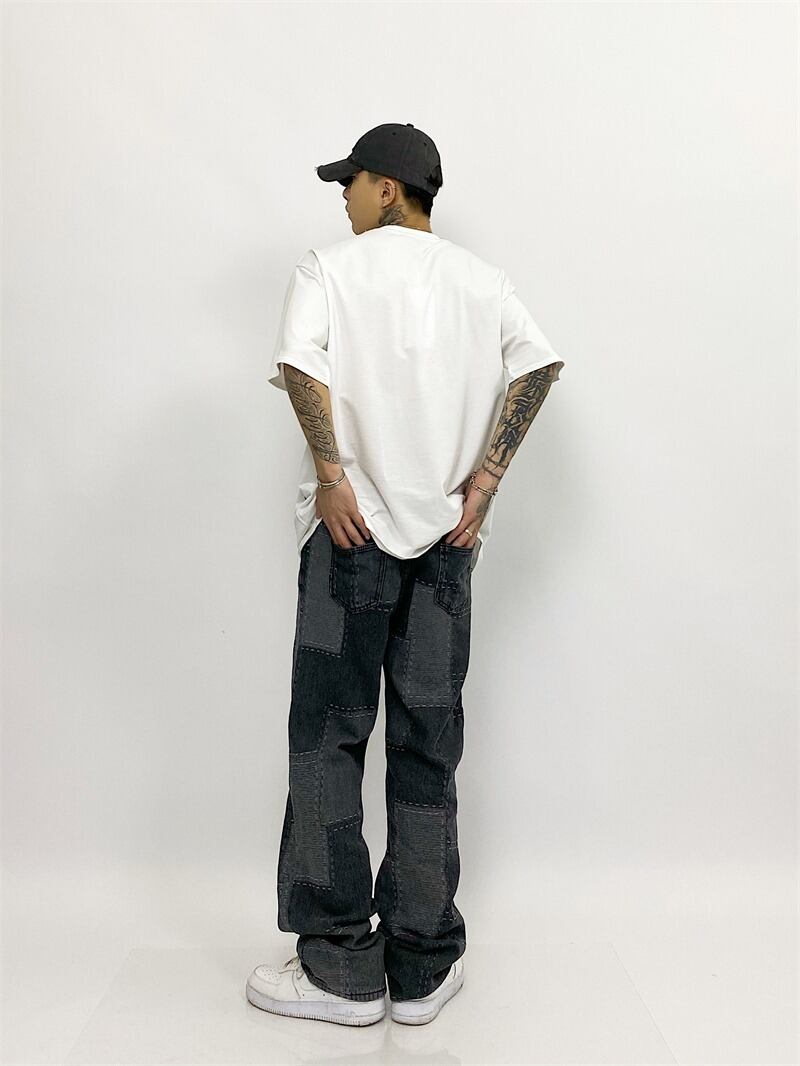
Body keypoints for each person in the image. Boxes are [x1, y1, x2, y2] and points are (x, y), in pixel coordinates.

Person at [246, 123, 565, 1027]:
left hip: (347, 541)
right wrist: (485, 482)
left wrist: (334, 476)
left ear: (388, 186)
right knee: (429, 746)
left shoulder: (329, 268)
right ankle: (421, 967)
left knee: (328, 739)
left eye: (350, 182)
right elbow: (538, 365)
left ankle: (341, 970)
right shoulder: (482, 282)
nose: (342, 197)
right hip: (447, 547)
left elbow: (300, 367)